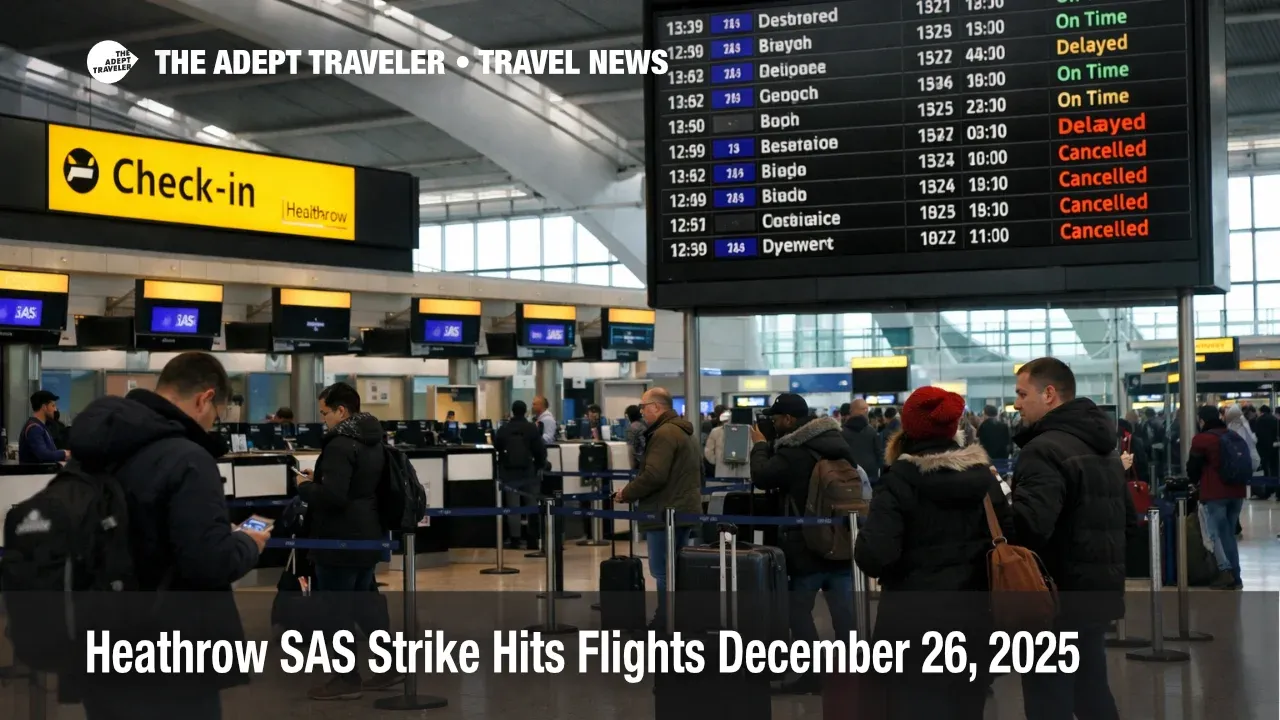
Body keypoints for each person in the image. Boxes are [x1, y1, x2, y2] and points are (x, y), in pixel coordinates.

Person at [65, 352, 269, 719]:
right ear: (204, 398)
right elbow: (208, 562)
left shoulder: (92, 450)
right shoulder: (188, 458)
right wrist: (246, 542)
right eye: (216, 416)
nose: (211, 426)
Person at [855, 387, 1008, 718]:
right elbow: (1011, 535)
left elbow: (873, 556)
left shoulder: (899, 481)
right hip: (975, 622)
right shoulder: (985, 480)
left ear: (907, 429)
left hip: (911, 626)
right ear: (955, 429)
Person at [1010, 357, 1126, 720]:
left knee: (1049, 698)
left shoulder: (1043, 449)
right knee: (1090, 691)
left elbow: (1031, 526)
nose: (1016, 403)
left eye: (1021, 393)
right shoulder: (1102, 445)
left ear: (1049, 394)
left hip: (1053, 597)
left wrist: (999, 509)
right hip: (1094, 591)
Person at [747, 393, 858, 694]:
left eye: (775, 419)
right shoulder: (840, 445)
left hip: (805, 542)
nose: (772, 424)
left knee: (798, 610)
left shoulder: (792, 452)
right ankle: (853, 674)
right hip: (841, 539)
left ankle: (813, 674)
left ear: (789, 420)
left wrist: (759, 446)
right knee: (844, 611)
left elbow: (761, 477)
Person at [295, 382, 399, 700]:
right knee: (365, 604)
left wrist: (305, 486)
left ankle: (346, 678)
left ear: (342, 411)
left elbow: (335, 497)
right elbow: (360, 487)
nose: (323, 419)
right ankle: (390, 666)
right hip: (367, 534)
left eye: (325, 412)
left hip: (338, 538)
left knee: (336, 609)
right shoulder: (373, 440)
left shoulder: (340, 444)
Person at [613, 388, 702, 627]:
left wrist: (626, 493)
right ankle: (678, 617)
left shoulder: (664, 434)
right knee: (677, 570)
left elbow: (654, 475)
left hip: (664, 512)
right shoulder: (684, 432)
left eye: (644, 407)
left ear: (656, 406)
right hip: (682, 509)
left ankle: (666, 620)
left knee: (662, 571)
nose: (642, 413)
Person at [1187, 405, 1247, 589]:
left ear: (1202, 420)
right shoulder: (1233, 435)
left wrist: (1194, 481)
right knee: (1228, 533)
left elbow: (1193, 468)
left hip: (1215, 493)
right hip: (1237, 492)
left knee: (1216, 534)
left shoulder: (1202, 439)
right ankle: (1236, 575)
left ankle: (1225, 571)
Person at [495, 400, 546, 551]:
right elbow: (540, 450)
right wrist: (539, 466)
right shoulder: (531, 428)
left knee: (513, 507)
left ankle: (515, 540)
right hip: (529, 472)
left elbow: (497, 447)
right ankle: (532, 540)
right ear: (525, 411)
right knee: (531, 505)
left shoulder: (504, 428)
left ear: (512, 411)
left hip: (509, 473)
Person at [841, 398, 884, 487]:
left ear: (851, 411)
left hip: (848, 476)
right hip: (871, 477)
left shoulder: (841, 432)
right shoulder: (872, 432)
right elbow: (880, 454)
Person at [19, 389, 68, 464]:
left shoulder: (41, 426)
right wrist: (64, 453)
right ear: (44, 407)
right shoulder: (34, 428)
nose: (55, 409)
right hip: (35, 474)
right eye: (53, 405)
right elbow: (43, 454)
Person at [1225, 404, 1260, 475]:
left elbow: (1240, 444)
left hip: (1244, 459)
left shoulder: (1236, 426)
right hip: (1251, 458)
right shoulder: (1244, 424)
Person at [1255, 405, 1279, 491]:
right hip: (1274, 447)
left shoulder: (1259, 420)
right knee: (1274, 468)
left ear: (1261, 411)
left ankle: (1267, 489)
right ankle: (1275, 489)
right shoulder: (1274, 419)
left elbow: (1257, 434)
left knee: (1265, 469)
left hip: (1262, 448)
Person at [624, 404, 647, 470]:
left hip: (640, 461)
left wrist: (632, 467)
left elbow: (631, 448)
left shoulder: (632, 427)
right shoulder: (645, 423)